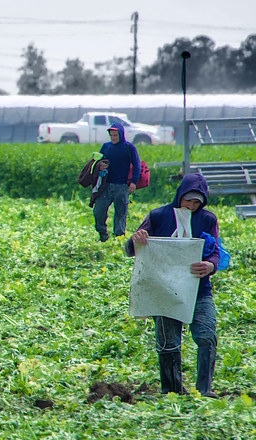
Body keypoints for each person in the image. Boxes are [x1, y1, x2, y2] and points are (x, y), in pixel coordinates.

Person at [126, 173, 220, 396]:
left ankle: (204, 391)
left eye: (197, 202)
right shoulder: (158, 216)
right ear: (179, 196)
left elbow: (215, 252)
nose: (191, 206)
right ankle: (172, 392)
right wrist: (136, 240)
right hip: (164, 288)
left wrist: (209, 266)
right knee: (168, 343)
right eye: (188, 200)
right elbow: (131, 249)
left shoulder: (208, 220)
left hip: (199, 289)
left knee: (206, 336)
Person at [93, 121, 140, 242]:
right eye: (111, 135)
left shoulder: (129, 148)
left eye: (115, 135)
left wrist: (134, 181)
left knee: (120, 213)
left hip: (122, 186)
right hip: (106, 185)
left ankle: (118, 239)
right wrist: (100, 166)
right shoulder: (106, 146)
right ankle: (103, 234)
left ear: (121, 134)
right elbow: (98, 161)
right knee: (99, 211)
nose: (113, 138)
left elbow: (136, 165)